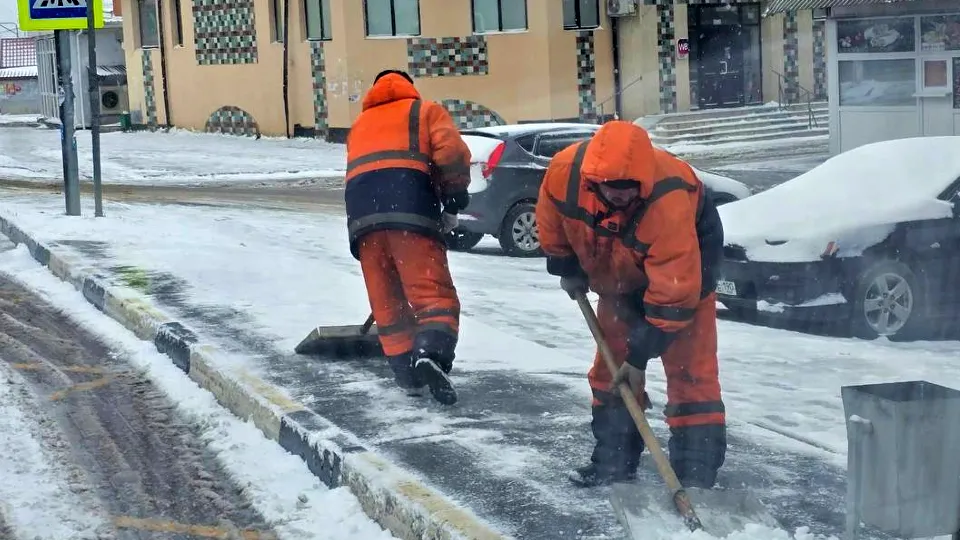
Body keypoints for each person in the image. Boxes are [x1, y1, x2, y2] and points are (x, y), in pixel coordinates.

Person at [534, 120, 726, 488]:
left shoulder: (667, 199)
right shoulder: (565, 174)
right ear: (593, 182)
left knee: (691, 373)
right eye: (612, 191)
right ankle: (614, 463)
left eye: (629, 192)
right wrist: (564, 263)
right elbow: (551, 218)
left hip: (687, 276)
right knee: (610, 371)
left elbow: (673, 291)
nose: (620, 199)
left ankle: (694, 476)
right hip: (619, 275)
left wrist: (638, 359)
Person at [344, 69, 472, 405]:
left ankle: (407, 376)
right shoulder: (424, 111)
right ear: (409, 87)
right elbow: (451, 152)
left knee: (388, 304)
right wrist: (454, 196)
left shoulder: (359, 125)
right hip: (411, 214)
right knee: (433, 297)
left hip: (363, 223)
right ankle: (431, 353)